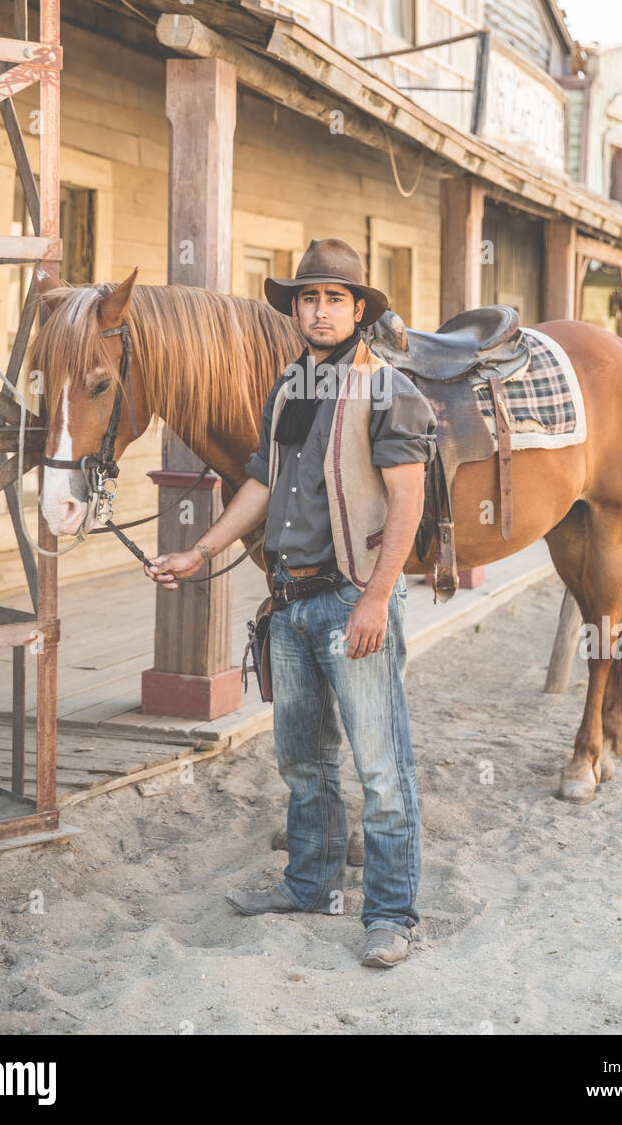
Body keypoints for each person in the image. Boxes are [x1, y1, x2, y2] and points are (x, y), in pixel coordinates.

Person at [144, 238, 436, 969]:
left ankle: (392, 914)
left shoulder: (387, 391)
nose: (321, 309)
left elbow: (408, 501)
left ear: (360, 310)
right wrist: (200, 551)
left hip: (350, 602)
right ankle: (310, 885)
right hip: (291, 603)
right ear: (296, 309)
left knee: (380, 766)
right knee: (302, 761)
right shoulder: (285, 388)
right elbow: (264, 485)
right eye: (309, 297)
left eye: (336, 297)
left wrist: (375, 599)